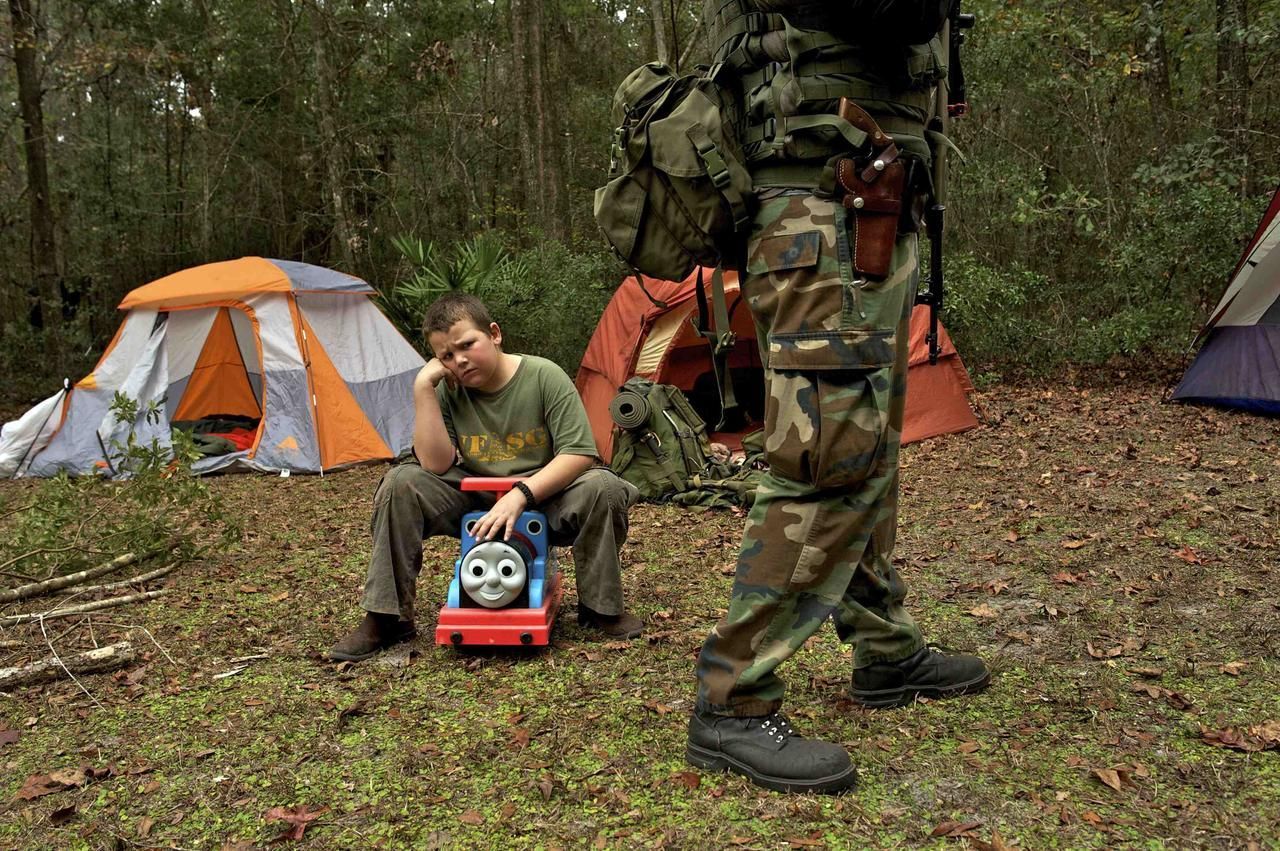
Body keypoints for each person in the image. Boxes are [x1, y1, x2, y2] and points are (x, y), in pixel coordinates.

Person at [685, 0, 989, 793]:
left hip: (861, 209)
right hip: (819, 214)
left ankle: (884, 648)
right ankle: (733, 697)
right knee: (827, 457)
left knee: (867, 446)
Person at [329, 293, 642, 661]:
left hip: (545, 496)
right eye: (446, 356)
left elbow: (578, 453)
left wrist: (521, 494)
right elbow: (434, 463)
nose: (458, 361)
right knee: (401, 483)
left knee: (603, 487)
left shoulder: (544, 376)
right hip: (474, 499)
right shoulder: (447, 390)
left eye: (466, 345)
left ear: (494, 333)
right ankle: (388, 617)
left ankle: (600, 606)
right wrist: (423, 390)